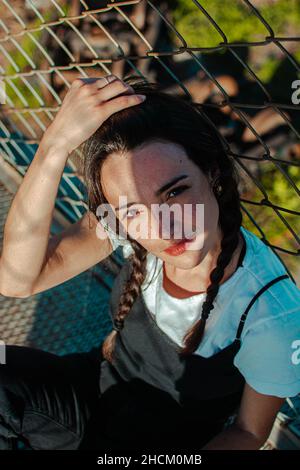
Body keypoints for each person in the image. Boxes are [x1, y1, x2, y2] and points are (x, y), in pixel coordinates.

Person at [0, 74, 299, 450]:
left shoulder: (271, 312)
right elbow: (16, 280)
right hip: (92, 397)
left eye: (174, 192)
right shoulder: (124, 225)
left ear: (212, 173)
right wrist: (53, 146)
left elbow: (248, 432)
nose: (162, 227)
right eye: (132, 210)